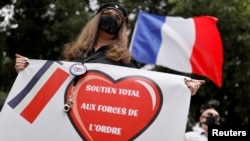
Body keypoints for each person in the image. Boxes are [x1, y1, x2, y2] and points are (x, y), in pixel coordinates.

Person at [14, 2, 205, 95]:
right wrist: (27, 71)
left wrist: (181, 88)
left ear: (121, 27)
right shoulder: (74, 54)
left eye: (118, 17)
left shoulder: (125, 60)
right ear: (97, 18)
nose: (112, 17)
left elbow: (143, 90)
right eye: (108, 13)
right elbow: (53, 87)